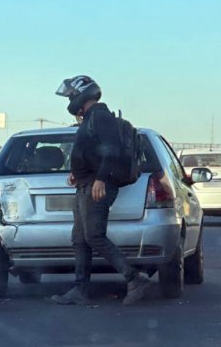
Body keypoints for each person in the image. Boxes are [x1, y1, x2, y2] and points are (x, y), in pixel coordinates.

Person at [51, 75, 151, 306]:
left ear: (83, 94)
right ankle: (80, 289)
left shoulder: (101, 116)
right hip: (85, 184)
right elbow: (91, 152)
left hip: (96, 186)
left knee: (94, 236)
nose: (70, 100)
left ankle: (134, 278)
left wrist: (101, 179)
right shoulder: (90, 119)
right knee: (80, 239)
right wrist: (78, 173)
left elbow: (112, 150)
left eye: (72, 95)